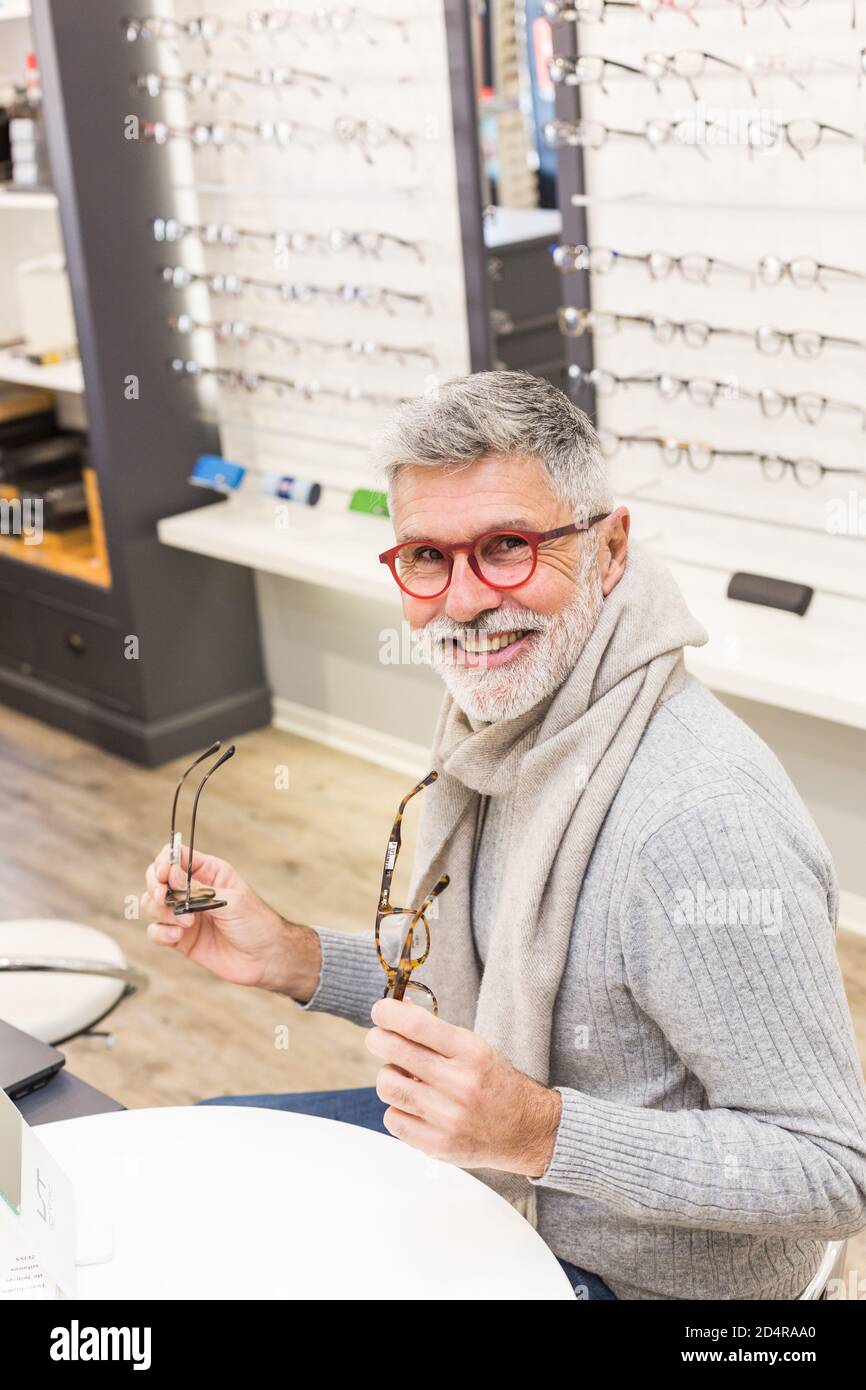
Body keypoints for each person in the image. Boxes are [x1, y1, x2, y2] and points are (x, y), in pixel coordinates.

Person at [142, 371, 866, 1300]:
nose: (465, 602)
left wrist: (538, 1131)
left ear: (609, 549)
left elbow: (832, 1169)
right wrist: (292, 957)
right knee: (207, 1146)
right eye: (426, 559)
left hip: (636, 1273)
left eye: (508, 547)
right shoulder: (520, 724)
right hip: (507, 1179)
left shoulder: (694, 825)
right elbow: (486, 979)